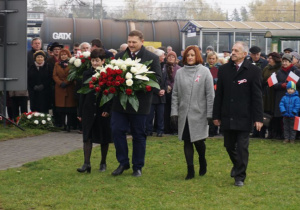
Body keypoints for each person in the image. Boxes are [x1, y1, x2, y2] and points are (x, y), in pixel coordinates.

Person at [111, 30, 161, 177]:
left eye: (134, 42)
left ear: (142, 41)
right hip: (120, 103)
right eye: (129, 42)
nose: (131, 45)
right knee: (117, 131)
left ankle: (137, 166)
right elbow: (111, 74)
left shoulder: (152, 58)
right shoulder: (119, 57)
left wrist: (139, 84)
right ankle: (123, 162)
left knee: (138, 135)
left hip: (140, 103)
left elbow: (157, 79)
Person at [213, 41, 263, 187]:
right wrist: (216, 116)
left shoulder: (253, 71)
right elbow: (219, 94)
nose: (233, 52)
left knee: (242, 148)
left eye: (236, 50)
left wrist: (258, 118)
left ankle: (240, 176)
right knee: (229, 146)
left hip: (244, 116)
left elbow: (257, 96)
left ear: (244, 54)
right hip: (227, 115)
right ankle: (237, 165)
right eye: (232, 50)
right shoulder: (223, 70)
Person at [171, 45, 214, 180]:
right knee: (187, 141)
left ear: (197, 56)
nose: (190, 57)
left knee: (199, 142)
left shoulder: (205, 71)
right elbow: (175, 94)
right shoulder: (180, 73)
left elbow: (210, 95)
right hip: (184, 114)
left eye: (192, 55)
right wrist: (174, 112)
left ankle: (202, 160)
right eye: (188, 55)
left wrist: (210, 115)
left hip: (200, 114)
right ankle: (190, 170)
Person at [77, 48, 113, 173]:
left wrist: (108, 109)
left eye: (97, 61)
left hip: (102, 109)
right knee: (87, 136)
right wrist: (80, 111)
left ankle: (103, 162)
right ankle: (86, 163)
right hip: (88, 108)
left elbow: (111, 93)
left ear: (103, 61)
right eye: (93, 61)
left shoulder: (108, 73)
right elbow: (82, 93)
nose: (95, 63)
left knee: (104, 136)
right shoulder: (87, 74)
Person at [273, 53, 300, 140]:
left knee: (293, 118)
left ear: (290, 62)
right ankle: (284, 135)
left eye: (286, 61)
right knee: (282, 117)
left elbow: (299, 84)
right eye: (283, 61)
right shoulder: (279, 72)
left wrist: (291, 85)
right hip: (281, 97)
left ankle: (294, 136)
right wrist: (282, 85)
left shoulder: (296, 71)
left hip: (293, 98)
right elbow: (274, 85)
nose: (284, 63)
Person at [52, 48, 77, 132]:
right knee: (61, 109)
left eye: (65, 54)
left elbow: (73, 74)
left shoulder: (72, 64)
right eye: (62, 55)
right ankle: (62, 124)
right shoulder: (57, 64)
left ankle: (70, 125)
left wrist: (66, 82)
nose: (63, 56)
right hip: (59, 88)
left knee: (70, 109)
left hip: (69, 87)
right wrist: (60, 83)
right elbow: (54, 75)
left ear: (68, 55)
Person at [247, 46, 268, 138]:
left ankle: (261, 132)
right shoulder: (247, 63)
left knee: (260, 111)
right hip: (249, 89)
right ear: (250, 54)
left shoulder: (265, 63)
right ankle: (253, 131)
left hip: (261, 88)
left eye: (258, 54)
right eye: (254, 54)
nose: (256, 56)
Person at [146, 49, 167, 137]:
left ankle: (160, 131)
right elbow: (149, 81)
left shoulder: (164, 67)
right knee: (150, 115)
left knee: (160, 115)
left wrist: (164, 89)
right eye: (163, 55)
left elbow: (165, 80)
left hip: (161, 96)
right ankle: (148, 130)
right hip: (152, 96)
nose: (164, 57)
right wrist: (157, 91)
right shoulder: (151, 68)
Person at [262, 52, 282, 139]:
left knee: (275, 114)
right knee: (267, 112)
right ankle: (269, 131)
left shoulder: (280, 69)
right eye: (268, 58)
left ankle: (276, 132)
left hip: (276, 93)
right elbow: (262, 78)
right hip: (267, 93)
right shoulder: (266, 68)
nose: (268, 60)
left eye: (270, 58)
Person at [163, 51, 181, 135]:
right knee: (166, 111)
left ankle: (175, 128)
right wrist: (166, 86)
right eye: (169, 56)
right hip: (166, 92)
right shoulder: (163, 67)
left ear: (175, 58)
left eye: (173, 57)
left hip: (176, 92)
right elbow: (162, 79)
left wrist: (173, 86)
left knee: (175, 110)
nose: (171, 58)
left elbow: (179, 80)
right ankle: (167, 128)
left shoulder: (179, 68)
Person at [205, 51, 221, 137]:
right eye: (210, 59)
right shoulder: (205, 67)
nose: (211, 60)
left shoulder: (218, 68)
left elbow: (215, 80)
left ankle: (214, 129)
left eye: (213, 59)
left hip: (215, 91)